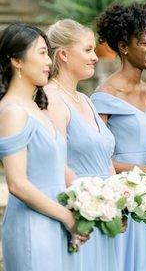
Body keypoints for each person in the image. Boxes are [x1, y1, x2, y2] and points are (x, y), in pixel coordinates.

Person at [0, 23, 87, 271]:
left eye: (48, 53)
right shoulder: (12, 112)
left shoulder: (37, 108)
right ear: (17, 60)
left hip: (57, 224)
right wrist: (67, 218)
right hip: (33, 227)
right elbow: (17, 184)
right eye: (41, 53)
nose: (49, 61)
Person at [91, 3, 146, 271]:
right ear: (124, 46)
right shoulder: (103, 98)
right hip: (121, 197)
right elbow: (94, 158)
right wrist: (140, 171)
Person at [44, 19, 119, 271]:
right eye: (87, 50)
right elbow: (57, 161)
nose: (95, 57)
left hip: (104, 211)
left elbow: (105, 155)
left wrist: (117, 201)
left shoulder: (86, 100)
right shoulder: (52, 99)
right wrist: (90, 204)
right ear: (63, 54)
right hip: (80, 211)